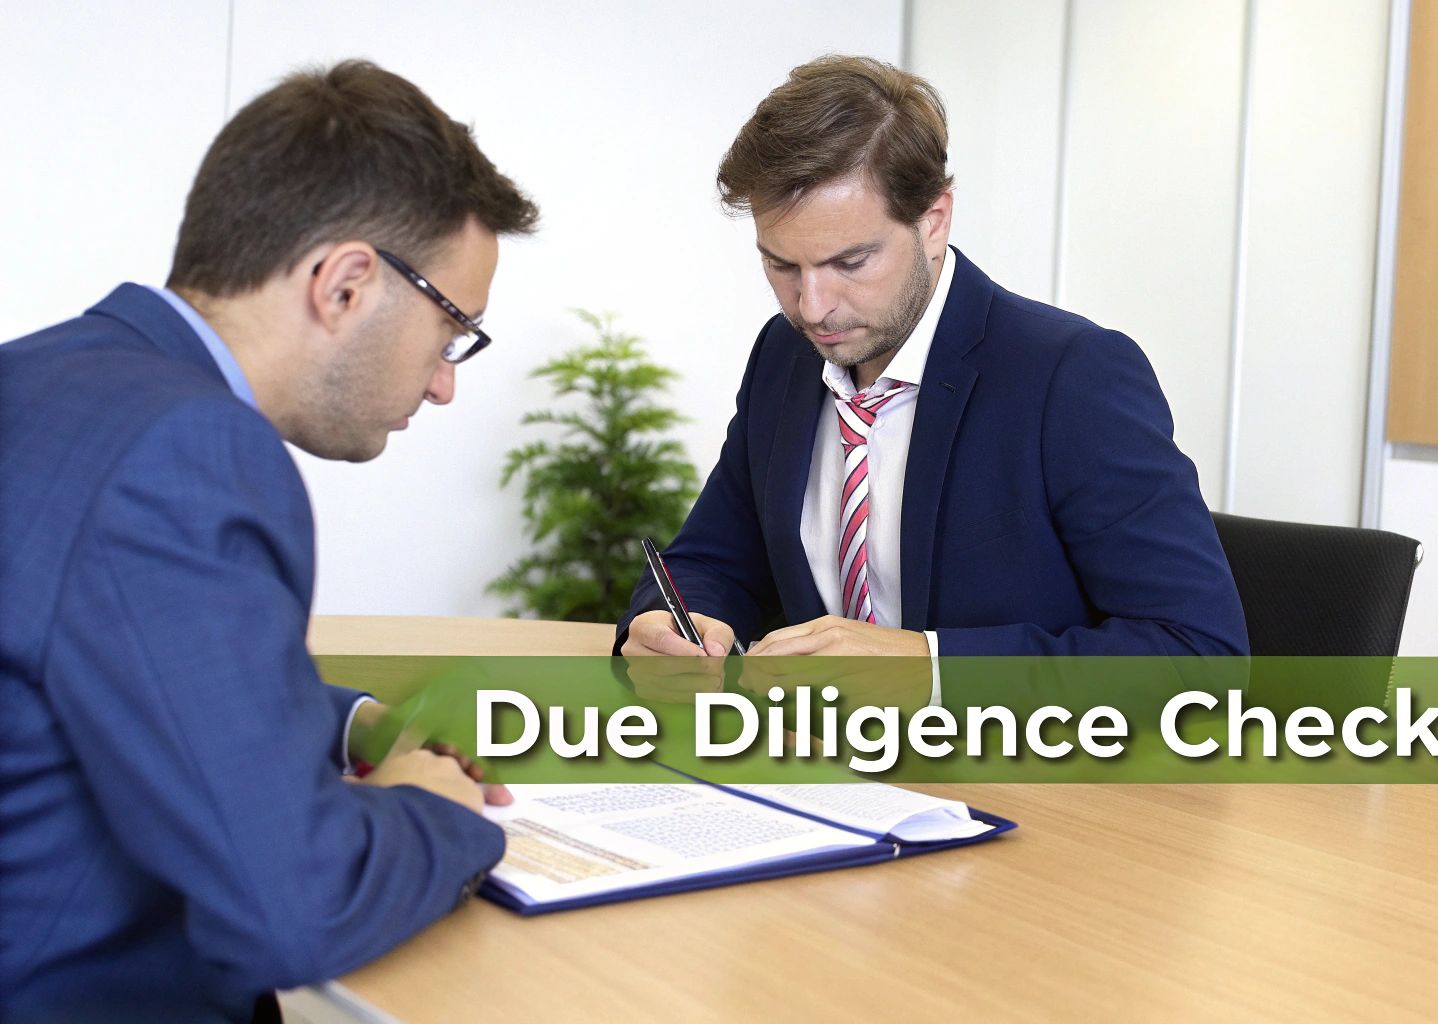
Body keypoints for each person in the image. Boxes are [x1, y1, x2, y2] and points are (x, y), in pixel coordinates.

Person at [0, 61, 539, 1022]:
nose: (444, 383)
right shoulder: (190, 451)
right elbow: (293, 906)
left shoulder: (39, 379)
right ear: (344, 285)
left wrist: (354, 722)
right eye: (454, 330)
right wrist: (437, 807)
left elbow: (97, 674)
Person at [617, 55, 1246, 671]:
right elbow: (711, 562)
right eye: (782, 265)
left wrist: (928, 668)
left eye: (849, 262)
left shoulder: (1073, 376)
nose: (811, 306)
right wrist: (669, 621)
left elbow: (1201, 654)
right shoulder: (783, 356)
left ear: (934, 221)